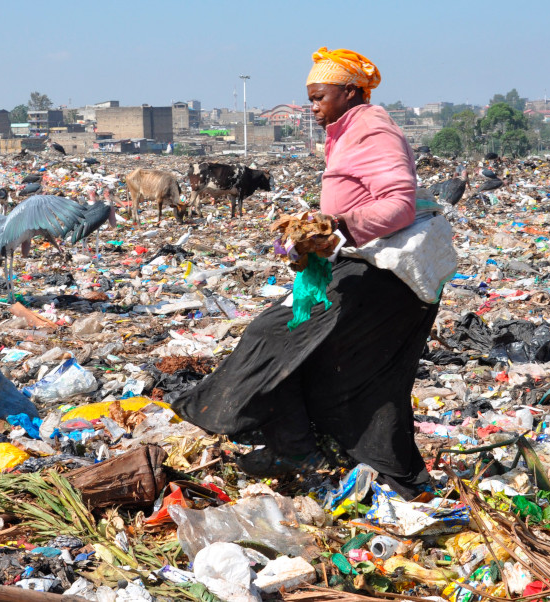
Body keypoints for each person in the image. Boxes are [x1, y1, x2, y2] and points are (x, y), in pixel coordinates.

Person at [172, 47, 452, 498]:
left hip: (386, 278)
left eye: (319, 97)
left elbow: (398, 204)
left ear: (348, 92)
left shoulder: (372, 128)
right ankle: (340, 460)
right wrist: (309, 238)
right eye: (310, 98)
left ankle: (300, 448)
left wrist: (340, 226)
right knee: (346, 370)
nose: (313, 107)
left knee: (277, 338)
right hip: (359, 265)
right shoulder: (344, 132)